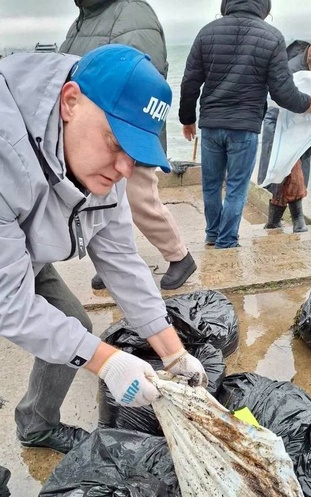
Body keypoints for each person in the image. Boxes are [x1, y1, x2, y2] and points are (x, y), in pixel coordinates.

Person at [0, 45, 207, 497]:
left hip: (10, 244)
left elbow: (121, 257)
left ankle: (36, 423)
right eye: (115, 143)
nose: (124, 168)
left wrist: (171, 353)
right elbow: (5, 302)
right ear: (70, 102)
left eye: (137, 153)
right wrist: (107, 361)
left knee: (73, 328)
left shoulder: (102, 162)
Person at [60, 0, 196, 290]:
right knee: (98, 204)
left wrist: (127, 139)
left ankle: (180, 256)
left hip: (125, 136)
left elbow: (145, 83)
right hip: (89, 136)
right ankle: (113, 261)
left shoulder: (133, 13)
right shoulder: (84, 18)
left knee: (141, 201)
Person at [179, 0, 311, 249]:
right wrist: (309, 103)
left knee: (211, 184)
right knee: (236, 186)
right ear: (263, 6)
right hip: (244, 127)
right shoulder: (272, 36)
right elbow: (282, 92)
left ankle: (213, 235)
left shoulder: (207, 32)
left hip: (211, 124)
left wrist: (187, 119)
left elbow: (190, 82)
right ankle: (227, 240)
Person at [258, 25, 311, 232]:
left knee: (293, 171)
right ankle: (297, 221)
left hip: (308, 127)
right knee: (285, 169)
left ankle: (277, 221)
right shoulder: (292, 68)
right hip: (280, 121)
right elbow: (283, 100)